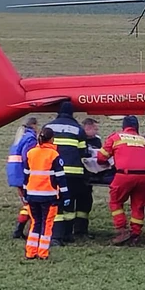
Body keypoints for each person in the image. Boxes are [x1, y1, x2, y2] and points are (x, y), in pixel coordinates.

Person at [97, 115, 145, 245]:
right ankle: (135, 234)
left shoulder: (116, 137)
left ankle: (122, 230)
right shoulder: (144, 140)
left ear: (124, 126)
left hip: (125, 175)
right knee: (138, 206)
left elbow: (101, 157)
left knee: (115, 201)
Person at [44, 101, 89, 245]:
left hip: (54, 173)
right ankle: (68, 234)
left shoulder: (48, 127)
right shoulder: (78, 129)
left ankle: (55, 236)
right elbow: (84, 153)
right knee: (69, 205)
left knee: (57, 205)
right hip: (74, 174)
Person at [22, 127, 70, 260]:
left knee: (35, 222)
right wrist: (66, 195)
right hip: (49, 196)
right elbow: (60, 177)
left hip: (32, 195)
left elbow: (26, 175)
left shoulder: (31, 153)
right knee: (46, 225)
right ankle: (43, 253)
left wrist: (25, 193)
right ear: (52, 139)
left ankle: (30, 252)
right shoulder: (53, 155)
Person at [6, 117, 38, 239]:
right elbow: (28, 156)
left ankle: (19, 230)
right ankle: (31, 230)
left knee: (27, 204)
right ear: (34, 125)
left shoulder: (19, 137)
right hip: (23, 175)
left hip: (15, 175)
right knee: (31, 204)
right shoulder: (30, 138)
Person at [75, 117, 103, 239]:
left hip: (89, 175)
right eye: (95, 129)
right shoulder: (78, 138)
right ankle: (73, 229)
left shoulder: (97, 140)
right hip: (78, 174)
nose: (97, 132)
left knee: (86, 203)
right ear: (87, 128)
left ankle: (81, 229)